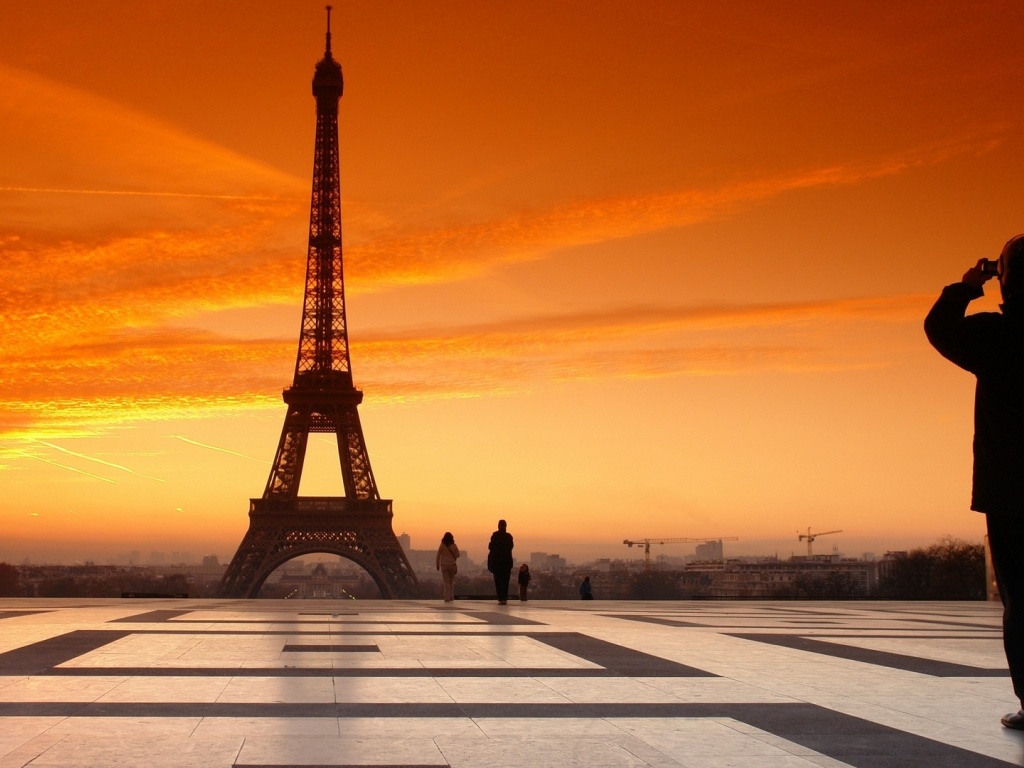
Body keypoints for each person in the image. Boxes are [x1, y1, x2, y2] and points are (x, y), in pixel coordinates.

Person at [925, 234, 1024, 730]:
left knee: (1023, 603)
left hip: (1011, 493)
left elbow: (940, 328)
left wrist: (968, 285)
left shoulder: (996, 337)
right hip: (1009, 493)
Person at [487, 519, 514, 604]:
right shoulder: (509, 536)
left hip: (497, 563)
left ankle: (500, 598)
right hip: (506, 563)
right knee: (506, 581)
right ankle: (504, 598)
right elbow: (511, 547)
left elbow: (490, 547)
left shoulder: (495, 535)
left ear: (498, 526)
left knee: (498, 581)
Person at [435, 532, 460, 603]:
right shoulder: (454, 545)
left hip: (444, 565)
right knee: (451, 581)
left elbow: (438, 555)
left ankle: (446, 597)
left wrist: (437, 565)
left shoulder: (442, 546)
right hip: (452, 565)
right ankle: (451, 597)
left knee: (446, 582)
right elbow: (458, 555)